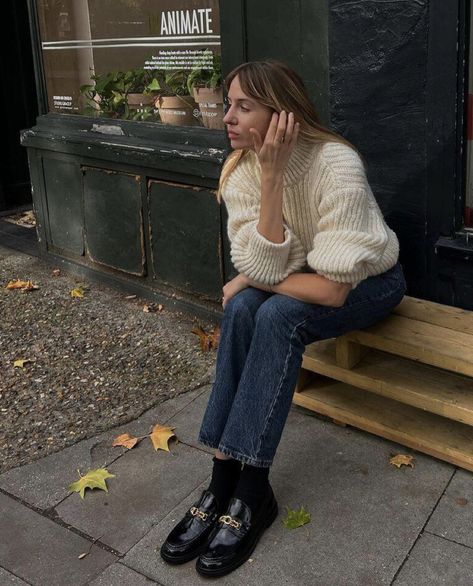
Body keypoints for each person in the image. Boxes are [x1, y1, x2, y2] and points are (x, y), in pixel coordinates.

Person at [160, 60, 406, 578]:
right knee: (248, 304)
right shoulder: (244, 169)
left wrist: (250, 276)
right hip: (303, 272)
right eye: (228, 104)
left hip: (368, 282)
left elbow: (333, 289)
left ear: (283, 116)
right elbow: (268, 266)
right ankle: (222, 478)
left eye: (243, 107)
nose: (227, 116)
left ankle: (252, 491)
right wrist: (271, 180)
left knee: (275, 313)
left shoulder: (335, 163)